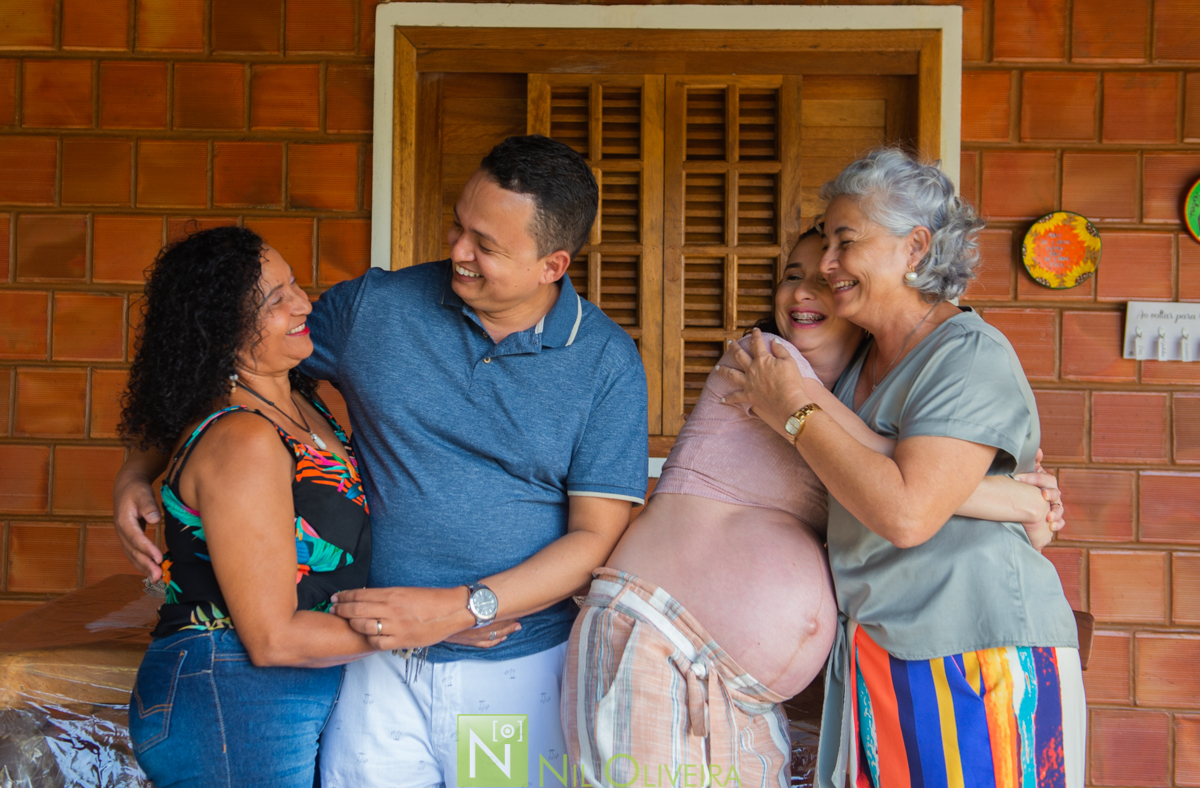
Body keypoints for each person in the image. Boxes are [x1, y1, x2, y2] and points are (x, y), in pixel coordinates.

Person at [111, 136, 649, 788]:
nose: (458, 251)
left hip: (510, 666)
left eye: (485, 244)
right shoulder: (375, 307)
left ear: (551, 264)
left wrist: (464, 608)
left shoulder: (606, 363)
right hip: (367, 670)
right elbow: (215, 358)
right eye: (458, 225)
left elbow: (595, 538)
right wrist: (136, 471)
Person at [564, 226, 1066, 788]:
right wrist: (1019, 498)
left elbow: (898, 478)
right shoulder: (766, 362)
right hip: (660, 645)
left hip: (738, 688)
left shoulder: (861, 395)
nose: (803, 290)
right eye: (791, 276)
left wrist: (1000, 491)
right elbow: (906, 480)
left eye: (827, 281)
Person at [722, 149, 1083, 788]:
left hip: (975, 655)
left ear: (915, 246)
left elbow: (908, 513)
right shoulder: (860, 364)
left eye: (846, 242)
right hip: (880, 653)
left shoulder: (966, 354)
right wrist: (1016, 498)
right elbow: (880, 460)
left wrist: (796, 414)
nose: (827, 264)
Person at [120, 227, 380, 787]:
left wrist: (132, 474)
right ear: (221, 333)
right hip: (232, 693)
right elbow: (273, 638)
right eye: (275, 300)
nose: (303, 304)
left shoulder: (300, 402)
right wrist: (435, 625)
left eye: (295, 284)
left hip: (277, 693)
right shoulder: (244, 439)